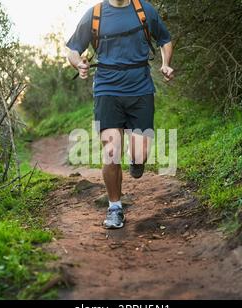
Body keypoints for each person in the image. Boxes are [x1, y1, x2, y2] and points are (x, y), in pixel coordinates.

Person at [66, 0, 174, 229]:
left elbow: (165, 39)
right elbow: (73, 49)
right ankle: (115, 208)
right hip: (107, 90)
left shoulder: (144, 10)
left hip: (140, 90)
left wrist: (166, 64)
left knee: (140, 153)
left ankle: (136, 160)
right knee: (112, 150)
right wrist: (79, 64)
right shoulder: (94, 14)